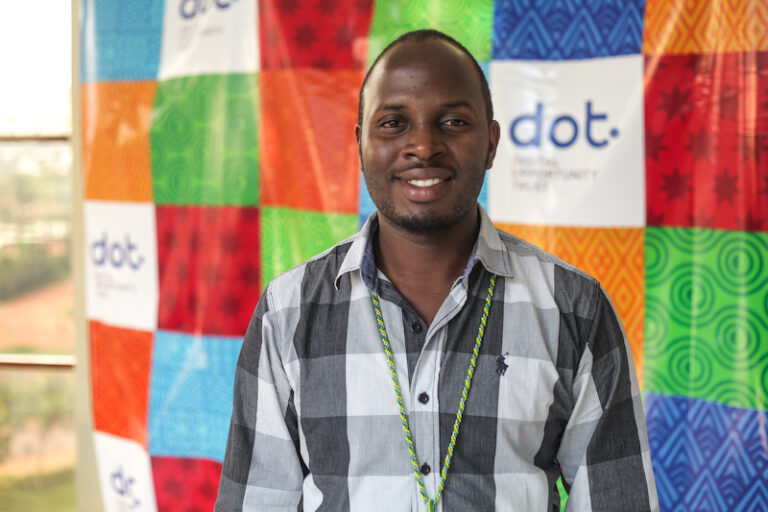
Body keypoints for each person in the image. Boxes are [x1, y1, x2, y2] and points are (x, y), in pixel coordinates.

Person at [215, 29, 658, 511]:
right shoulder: (289, 311)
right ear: (361, 144)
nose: (423, 146)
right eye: (393, 123)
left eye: (452, 122)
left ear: (491, 143)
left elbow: (620, 500)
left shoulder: (574, 307)